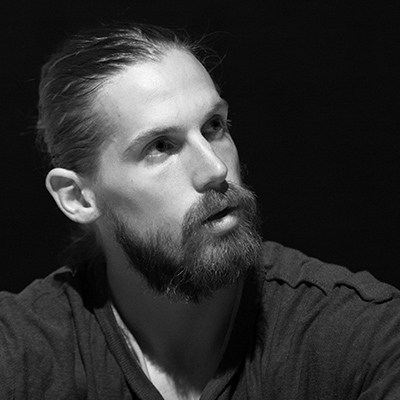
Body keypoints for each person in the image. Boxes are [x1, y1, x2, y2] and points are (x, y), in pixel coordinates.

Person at [0, 21, 399, 400]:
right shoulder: (19, 356)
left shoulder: (363, 340)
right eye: (160, 146)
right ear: (78, 197)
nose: (216, 169)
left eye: (213, 127)